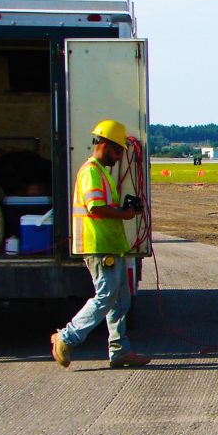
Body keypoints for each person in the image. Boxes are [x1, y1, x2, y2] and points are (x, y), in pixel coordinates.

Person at [50, 120, 150, 369]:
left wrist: (123, 211)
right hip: (98, 245)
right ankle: (65, 337)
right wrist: (124, 214)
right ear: (104, 145)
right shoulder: (91, 171)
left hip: (110, 245)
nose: (118, 158)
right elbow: (95, 208)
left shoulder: (101, 172)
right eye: (117, 151)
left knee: (119, 301)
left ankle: (120, 352)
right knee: (105, 297)